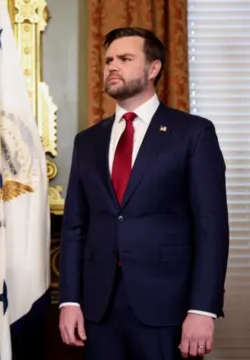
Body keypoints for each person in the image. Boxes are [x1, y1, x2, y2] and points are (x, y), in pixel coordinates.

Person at [58, 27, 229, 360]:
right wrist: (70, 300)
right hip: (98, 308)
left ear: (154, 69)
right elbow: (75, 227)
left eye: (125, 58)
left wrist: (203, 309)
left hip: (168, 308)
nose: (112, 67)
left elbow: (212, 229)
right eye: (108, 60)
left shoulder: (193, 134)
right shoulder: (87, 141)